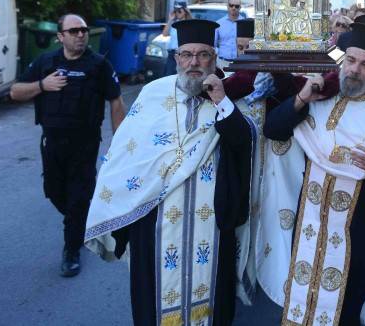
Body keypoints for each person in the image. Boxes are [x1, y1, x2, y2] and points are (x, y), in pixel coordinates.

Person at [85, 19, 255, 325]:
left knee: (213, 299)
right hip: (156, 219)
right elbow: (127, 153)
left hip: (210, 221)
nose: (194, 62)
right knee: (153, 300)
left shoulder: (225, 93)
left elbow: (243, 142)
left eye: (202, 55)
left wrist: (221, 100)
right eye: (187, 55)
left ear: (213, 58)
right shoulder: (153, 94)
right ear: (176, 58)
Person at [263, 22, 365, 326]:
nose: (354, 70)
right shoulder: (319, 98)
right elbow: (273, 130)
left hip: (358, 232)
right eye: (350, 61)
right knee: (302, 298)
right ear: (342, 60)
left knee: (344, 312)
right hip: (309, 224)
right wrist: (300, 99)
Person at [11, 13, 125, 277]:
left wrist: (119, 144)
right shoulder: (45, 62)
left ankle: (71, 249)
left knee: (77, 197)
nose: (81, 35)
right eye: (73, 31)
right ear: (60, 36)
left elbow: (116, 102)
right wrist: (42, 85)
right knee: (53, 191)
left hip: (84, 144)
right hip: (52, 142)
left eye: (84, 30)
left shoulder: (99, 66)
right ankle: (83, 219)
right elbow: (16, 92)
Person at [214, 0, 247, 68]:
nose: (233, 8)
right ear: (227, 6)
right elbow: (213, 45)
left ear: (240, 8)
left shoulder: (245, 24)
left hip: (241, 63)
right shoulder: (218, 24)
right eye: (231, 5)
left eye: (237, 6)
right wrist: (218, 54)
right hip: (222, 63)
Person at [162, 1, 192, 76]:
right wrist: (170, 19)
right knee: (168, 76)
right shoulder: (174, 23)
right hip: (172, 54)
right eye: (176, 11)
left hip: (184, 54)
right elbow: (164, 34)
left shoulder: (189, 24)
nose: (177, 13)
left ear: (185, 11)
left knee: (182, 76)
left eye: (179, 11)